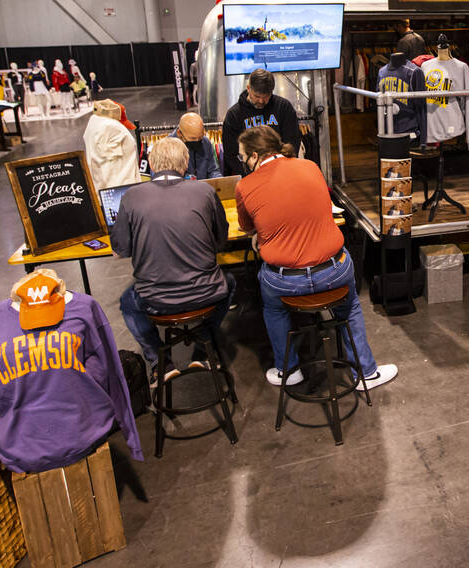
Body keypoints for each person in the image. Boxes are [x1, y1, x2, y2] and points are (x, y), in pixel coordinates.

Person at [235, 126, 397, 389]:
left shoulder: (245, 185)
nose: (242, 162)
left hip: (285, 280)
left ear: (254, 155)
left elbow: (247, 225)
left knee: (273, 307)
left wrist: (262, 236)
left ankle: (288, 370)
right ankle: (366, 373)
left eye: (243, 157)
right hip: (333, 270)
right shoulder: (310, 167)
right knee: (350, 306)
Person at [111, 138, 234, 379]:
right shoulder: (205, 191)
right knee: (230, 283)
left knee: (128, 302)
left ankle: (159, 361)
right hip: (206, 291)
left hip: (155, 298)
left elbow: (120, 249)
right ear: (186, 163)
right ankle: (202, 344)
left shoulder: (132, 197)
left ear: (150, 163)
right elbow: (221, 239)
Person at [221, 68, 301, 176]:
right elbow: (231, 155)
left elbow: (292, 143)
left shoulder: (283, 108)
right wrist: (250, 174)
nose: (261, 101)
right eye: (257, 96)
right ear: (248, 88)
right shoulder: (234, 115)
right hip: (249, 175)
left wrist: (281, 168)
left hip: (281, 172)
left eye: (266, 97)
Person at [175, 112, 222, 180]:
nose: (197, 141)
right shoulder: (167, 148)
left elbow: (213, 170)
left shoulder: (205, 142)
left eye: (200, 137)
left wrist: (219, 180)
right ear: (179, 133)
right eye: (193, 138)